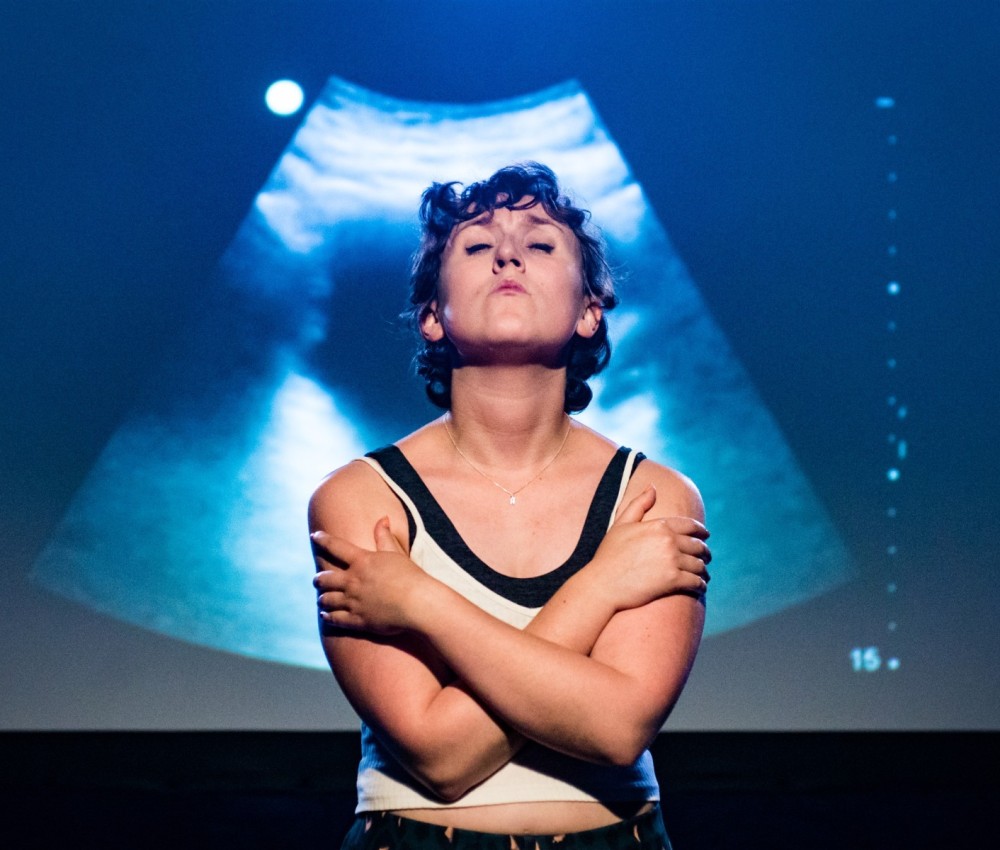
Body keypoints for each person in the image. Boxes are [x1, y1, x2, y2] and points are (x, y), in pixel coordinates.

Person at [309, 163, 711, 850]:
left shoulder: (655, 497)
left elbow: (615, 729)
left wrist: (421, 602)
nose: (507, 254)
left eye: (541, 244)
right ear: (433, 315)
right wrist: (604, 585)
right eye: (475, 246)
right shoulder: (360, 498)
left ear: (590, 310)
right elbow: (442, 758)